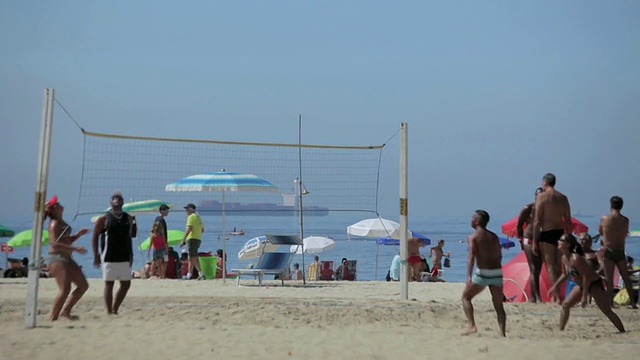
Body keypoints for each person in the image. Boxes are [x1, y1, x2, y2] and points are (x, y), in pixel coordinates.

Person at [548, 234, 625, 332]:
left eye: (561, 240)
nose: (558, 242)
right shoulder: (564, 258)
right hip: (581, 285)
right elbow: (566, 273)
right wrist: (555, 286)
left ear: (567, 244)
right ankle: (561, 330)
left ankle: (622, 331)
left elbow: (586, 277)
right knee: (565, 305)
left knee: (606, 311)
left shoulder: (576, 258)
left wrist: (584, 296)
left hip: (594, 284)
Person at [461, 210, 506, 337]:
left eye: (472, 218)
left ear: (476, 221)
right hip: (497, 272)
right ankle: (502, 333)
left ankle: (471, 326)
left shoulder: (473, 237)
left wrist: (469, 276)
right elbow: (499, 255)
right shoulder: (494, 236)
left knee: (466, 297)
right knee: (498, 304)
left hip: (483, 273)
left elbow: (471, 256)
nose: (470, 219)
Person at [44, 195, 90, 321]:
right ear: (53, 210)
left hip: (66, 257)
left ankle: (65, 312)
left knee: (83, 285)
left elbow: (65, 240)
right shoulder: (54, 224)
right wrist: (76, 249)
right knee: (65, 289)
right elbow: (54, 244)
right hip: (56, 257)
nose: (59, 203)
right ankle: (53, 318)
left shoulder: (61, 222)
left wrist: (77, 236)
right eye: (56, 203)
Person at [91, 191, 135, 315]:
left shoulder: (128, 217)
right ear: (111, 202)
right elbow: (94, 236)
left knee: (126, 284)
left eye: (119, 199)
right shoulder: (104, 218)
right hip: (109, 255)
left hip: (124, 255)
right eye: (115, 199)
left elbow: (129, 236)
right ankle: (109, 311)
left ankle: (115, 309)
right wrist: (96, 255)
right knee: (109, 284)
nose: (117, 201)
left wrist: (131, 254)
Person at [532, 173, 572, 303]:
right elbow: (567, 220)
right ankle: (558, 294)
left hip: (547, 232)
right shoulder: (563, 198)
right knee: (559, 265)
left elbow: (537, 220)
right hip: (560, 233)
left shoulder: (541, 197)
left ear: (545, 182)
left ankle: (557, 296)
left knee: (550, 266)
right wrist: (569, 237)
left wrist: (534, 240)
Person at [598, 195, 636, 308]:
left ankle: (609, 302)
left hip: (609, 251)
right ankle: (633, 303)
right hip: (620, 251)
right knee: (626, 278)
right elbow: (624, 233)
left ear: (611, 205)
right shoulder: (625, 220)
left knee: (609, 279)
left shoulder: (605, 218)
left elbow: (601, 231)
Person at [516, 187, 544, 302]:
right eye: (538, 195)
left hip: (541, 239)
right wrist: (520, 239)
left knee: (538, 268)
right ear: (535, 196)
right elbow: (519, 225)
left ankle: (533, 297)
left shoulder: (546, 209)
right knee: (533, 268)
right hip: (528, 239)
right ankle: (537, 297)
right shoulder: (528, 208)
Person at [180, 203, 205, 280]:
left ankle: (200, 274)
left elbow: (189, 228)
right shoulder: (198, 217)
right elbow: (202, 230)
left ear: (191, 209)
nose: (186, 211)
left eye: (187, 209)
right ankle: (189, 275)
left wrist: (183, 239)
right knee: (192, 257)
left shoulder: (191, 217)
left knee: (193, 257)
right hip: (198, 239)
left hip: (192, 239)